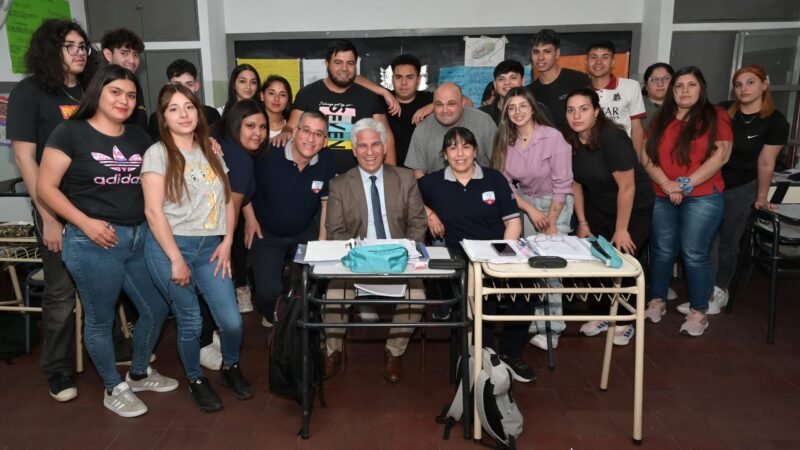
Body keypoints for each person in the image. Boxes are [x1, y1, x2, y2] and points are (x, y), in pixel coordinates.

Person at [36, 65, 177, 418]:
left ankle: (140, 372)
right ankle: (114, 387)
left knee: (156, 308)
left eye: (130, 95)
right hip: (92, 242)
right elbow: (45, 188)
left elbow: (169, 163)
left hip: (138, 239)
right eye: (116, 92)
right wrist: (84, 223)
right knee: (100, 321)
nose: (124, 100)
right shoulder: (70, 133)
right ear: (97, 92)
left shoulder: (138, 138)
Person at [142, 84, 253, 412]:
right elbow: (152, 211)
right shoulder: (157, 154)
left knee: (232, 322)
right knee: (190, 322)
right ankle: (195, 379)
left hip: (211, 249)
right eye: (174, 109)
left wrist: (228, 241)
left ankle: (230, 365)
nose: (183, 114)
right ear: (163, 118)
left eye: (189, 107)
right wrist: (176, 259)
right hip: (170, 248)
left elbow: (228, 200)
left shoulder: (211, 149)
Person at [7, 18, 99, 403]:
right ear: (50, 50)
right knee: (60, 292)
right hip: (55, 208)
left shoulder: (92, 90)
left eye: (83, 46)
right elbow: (26, 160)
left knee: (102, 285)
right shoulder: (30, 93)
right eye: (70, 46)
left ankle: (108, 349)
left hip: (98, 207)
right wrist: (48, 217)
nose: (79, 52)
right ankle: (59, 369)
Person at [418, 127, 534, 383]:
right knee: (479, 293)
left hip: (497, 250)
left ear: (475, 151)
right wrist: (429, 213)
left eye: (466, 147)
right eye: (453, 148)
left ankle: (511, 354)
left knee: (527, 288)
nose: (460, 154)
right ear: (445, 155)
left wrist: (501, 258)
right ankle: (481, 355)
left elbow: (513, 222)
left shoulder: (493, 179)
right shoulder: (432, 182)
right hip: (458, 254)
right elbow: (408, 196)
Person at [676, 65, 790, 316]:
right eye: (739, 84)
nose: (744, 89)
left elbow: (766, 162)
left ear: (765, 84)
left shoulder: (775, 121)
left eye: (750, 83)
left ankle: (720, 290)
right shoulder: (722, 110)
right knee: (705, 241)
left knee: (728, 241)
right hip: (711, 182)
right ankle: (701, 295)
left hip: (742, 187)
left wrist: (761, 197)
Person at [323, 118, 427, 383]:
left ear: (384, 146)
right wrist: (363, 258)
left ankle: (394, 352)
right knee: (334, 294)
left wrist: (403, 255)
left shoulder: (405, 178)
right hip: (357, 259)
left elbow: (417, 223)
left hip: (398, 258)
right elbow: (335, 232)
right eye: (362, 146)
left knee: (417, 296)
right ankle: (332, 351)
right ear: (354, 150)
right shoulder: (339, 184)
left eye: (375, 145)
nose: (369, 152)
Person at [641, 67, 733, 336]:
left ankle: (698, 311)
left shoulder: (716, 115)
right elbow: (647, 157)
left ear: (701, 88)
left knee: (694, 254)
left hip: (702, 196)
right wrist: (667, 185)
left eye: (690, 85)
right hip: (662, 193)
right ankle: (656, 300)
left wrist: (684, 184)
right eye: (678, 85)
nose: (683, 90)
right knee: (661, 251)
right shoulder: (661, 117)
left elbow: (721, 156)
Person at [563, 88, 655, 346]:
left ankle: (626, 320)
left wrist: (622, 228)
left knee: (623, 259)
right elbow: (576, 184)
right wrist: (582, 223)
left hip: (631, 206)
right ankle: (604, 314)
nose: (576, 115)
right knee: (597, 259)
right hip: (597, 203)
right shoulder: (571, 139)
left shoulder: (612, 137)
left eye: (583, 109)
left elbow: (627, 187)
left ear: (595, 111)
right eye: (571, 110)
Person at [491, 86, 572, 350]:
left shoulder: (552, 137)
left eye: (522, 106)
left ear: (532, 107)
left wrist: (549, 220)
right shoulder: (505, 140)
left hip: (555, 202)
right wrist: (529, 209)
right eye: (511, 108)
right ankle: (537, 318)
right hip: (525, 202)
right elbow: (505, 185)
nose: (517, 112)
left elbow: (563, 184)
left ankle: (553, 327)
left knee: (550, 264)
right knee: (529, 262)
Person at [247, 111, 336, 325]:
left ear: (325, 141)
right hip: (267, 232)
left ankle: (301, 318)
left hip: (304, 230)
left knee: (319, 280)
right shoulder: (268, 154)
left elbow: (326, 202)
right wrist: (249, 219)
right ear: (295, 132)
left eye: (318, 134)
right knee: (267, 294)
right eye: (306, 131)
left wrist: (323, 240)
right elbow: (243, 188)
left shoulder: (327, 161)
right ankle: (275, 316)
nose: (311, 139)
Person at [273, 40, 396, 173]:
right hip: (314, 177)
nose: (344, 68)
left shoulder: (369, 97)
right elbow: (291, 127)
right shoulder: (308, 94)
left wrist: (392, 175)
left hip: (358, 181)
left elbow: (386, 136)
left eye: (350, 63)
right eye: (338, 62)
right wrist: (285, 132)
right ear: (327, 64)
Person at [215, 99, 268, 317]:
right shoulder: (240, 158)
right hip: (211, 237)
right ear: (236, 125)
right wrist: (226, 244)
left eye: (263, 127)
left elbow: (240, 193)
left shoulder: (225, 144)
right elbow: (232, 207)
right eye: (250, 126)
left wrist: (251, 217)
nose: (258, 133)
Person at [586, 40, 647, 155]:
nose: (598, 62)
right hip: (591, 153)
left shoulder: (631, 86)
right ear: (586, 61)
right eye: (593, 57)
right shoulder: (581, 91)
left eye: (605, 57)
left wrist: (636, 160)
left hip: (623, 152)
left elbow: (637, 128)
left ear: (613, 62)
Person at [527, 29, 591, 131]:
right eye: (536, 52)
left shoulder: (578, 80)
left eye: (547, 51)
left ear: (557, 53)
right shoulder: (529, 92)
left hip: (578, 145)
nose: (540, 57)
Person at [147, 58, 222, 140]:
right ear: (168, 86)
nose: (183, 90)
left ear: (196, 86)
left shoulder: (211, 114)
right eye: (177, 85)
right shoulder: (157, 118)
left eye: (189, 85)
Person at [384, 54, 434, 167]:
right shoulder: (384, 99)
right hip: (392, 172)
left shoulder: (429, 99)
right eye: (398, 77)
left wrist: (433, 106)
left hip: (423, 171)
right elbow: (355, 79)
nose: (403, 83)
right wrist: (384, 92)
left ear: (418, 79)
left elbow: (465, 102)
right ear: (392, 79)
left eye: (409, 77)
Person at [101, 28, 148, 130]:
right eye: (124, 53)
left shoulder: (136, 86)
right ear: (108, 55)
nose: (132, 60)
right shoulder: (98, 87)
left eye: (135, 55)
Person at [480, 59, 553, 125]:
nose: (507, 82)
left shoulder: (538, 110)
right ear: (495, 84)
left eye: (513, 77)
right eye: (501, 79)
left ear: (522, 81)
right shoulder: (482, 114)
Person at [640, 63, 674, 132]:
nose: (660, 84)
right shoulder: (636, 105)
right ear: (646, 85)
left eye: (666, 78)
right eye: (654, 79)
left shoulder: (681, 106)